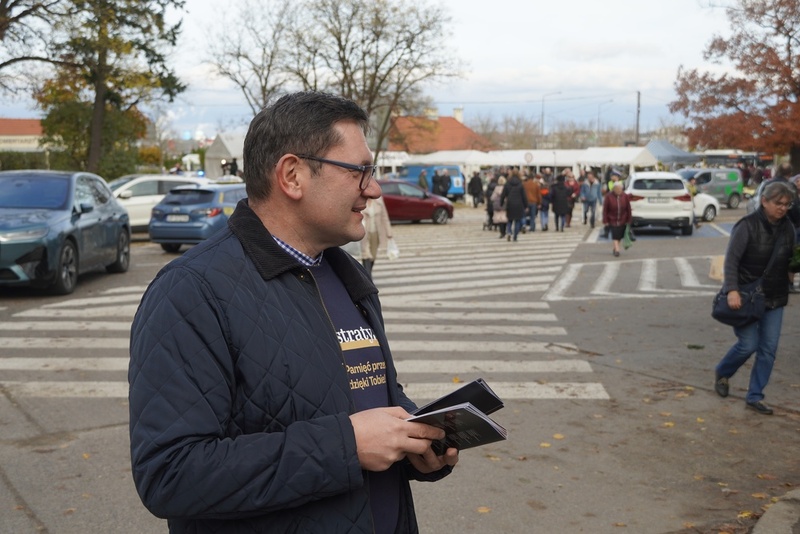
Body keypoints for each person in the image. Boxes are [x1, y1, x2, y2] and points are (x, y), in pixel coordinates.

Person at [128, 91, 458, 533]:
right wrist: (346, 446)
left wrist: (417, 437)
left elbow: (364, 398)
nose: (374, 189)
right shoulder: (192, 291)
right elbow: (170, 474)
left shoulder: (347, 275)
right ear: (293, 175)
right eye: (360, 171)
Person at [713, 181, 797, 415]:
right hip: (747, 296)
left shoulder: (788, 228)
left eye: (787, 204)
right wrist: (732, 289)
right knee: (748, 345)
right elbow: (731, 260)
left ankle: (755, 395)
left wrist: (795, 266)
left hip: (775, 297)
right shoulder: (747, 226)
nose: (782, 208)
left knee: (768, 349)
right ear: (764, 201)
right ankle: (723, 372)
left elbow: (792, 260)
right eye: (778, 203)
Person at [360, 196, 393, 277]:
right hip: (364, 234)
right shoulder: (360, 200)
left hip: (376, 233)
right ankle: (368, 277)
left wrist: (389, 233)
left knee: (373, 255)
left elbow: (385, 217)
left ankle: (368, 274)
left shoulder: (379, 201)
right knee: (366, 254)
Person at [602, 182, 632, 257]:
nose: (619, 190)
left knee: (619, 236)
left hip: (623, 219)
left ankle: (615, 248)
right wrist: (605, 220)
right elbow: (605, 209)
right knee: (615, 235)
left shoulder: (625, 196)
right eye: (617, 189)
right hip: (612, 219)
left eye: (620, 189)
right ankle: (617, 250)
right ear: (614, 189)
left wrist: (629, 219)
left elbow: (628, 208)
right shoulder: (609, 196)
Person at [501, 170, 528, 241]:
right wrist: (526, 205)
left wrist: (501, 203)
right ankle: (515, 236)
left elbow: (503, 195)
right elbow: (524, 196)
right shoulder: (520, 184)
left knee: (509, 220)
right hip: (519, 204)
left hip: (510, 203)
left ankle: (509, 232)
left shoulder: (507, 183)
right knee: (517, 221)